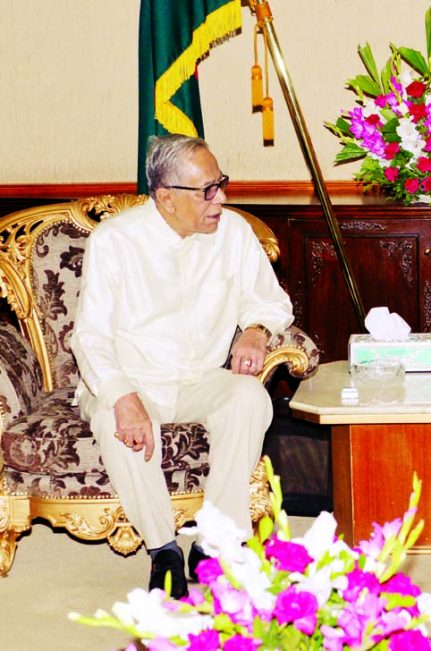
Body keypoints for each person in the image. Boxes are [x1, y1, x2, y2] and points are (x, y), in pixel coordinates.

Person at [72, 135, 294, 598]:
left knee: (248, 398)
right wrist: (123, 396)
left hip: (199, 378)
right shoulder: (115, 241)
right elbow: (90, 336)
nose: (222, 199)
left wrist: (254, 330)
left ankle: (215, 539)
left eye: (221, 184)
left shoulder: (232, 233)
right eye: (207, 190)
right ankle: (164, 550)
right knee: (118, 419)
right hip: (132, 378)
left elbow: (270, 302)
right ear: (166, 197)